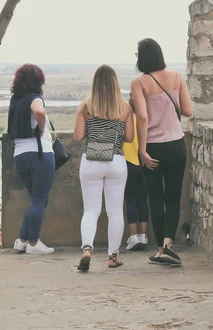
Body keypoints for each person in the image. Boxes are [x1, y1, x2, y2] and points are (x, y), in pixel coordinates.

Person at [130, 38, 193, 266]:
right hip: (176, 145)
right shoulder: (177, 78)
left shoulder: (139, 83)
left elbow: (143, 117)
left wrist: (142, 150)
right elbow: (187, 110)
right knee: (173, 196)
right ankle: (169, 245)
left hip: (153, 147)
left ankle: (159, 251)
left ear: (142, 57)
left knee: (155, 199)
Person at [74, 64, 133, 271]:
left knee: (91, 210)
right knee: (115, 212)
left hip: (91, 161)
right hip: (116, 161)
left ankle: (87, 248)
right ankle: (113, 256)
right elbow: (129, 137)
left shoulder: (85, 106)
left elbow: (79, 136)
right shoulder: (125, 108)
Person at [8, 64, 55, 255]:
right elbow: (40, 112)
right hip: (39, 154)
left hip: (20, 155)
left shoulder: (15, 100)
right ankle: (34, 244)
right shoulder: (35, 98)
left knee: (37, 200)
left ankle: (21, 240)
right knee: (39, 200)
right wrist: (42, 129)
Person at [123, 94, 150, 251]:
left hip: (128, 163)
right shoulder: (145, 121)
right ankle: (143, 235)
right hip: (145, 164)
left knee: (131, 200)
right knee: (143, 201)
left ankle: (133, 237)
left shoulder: (126, 122)